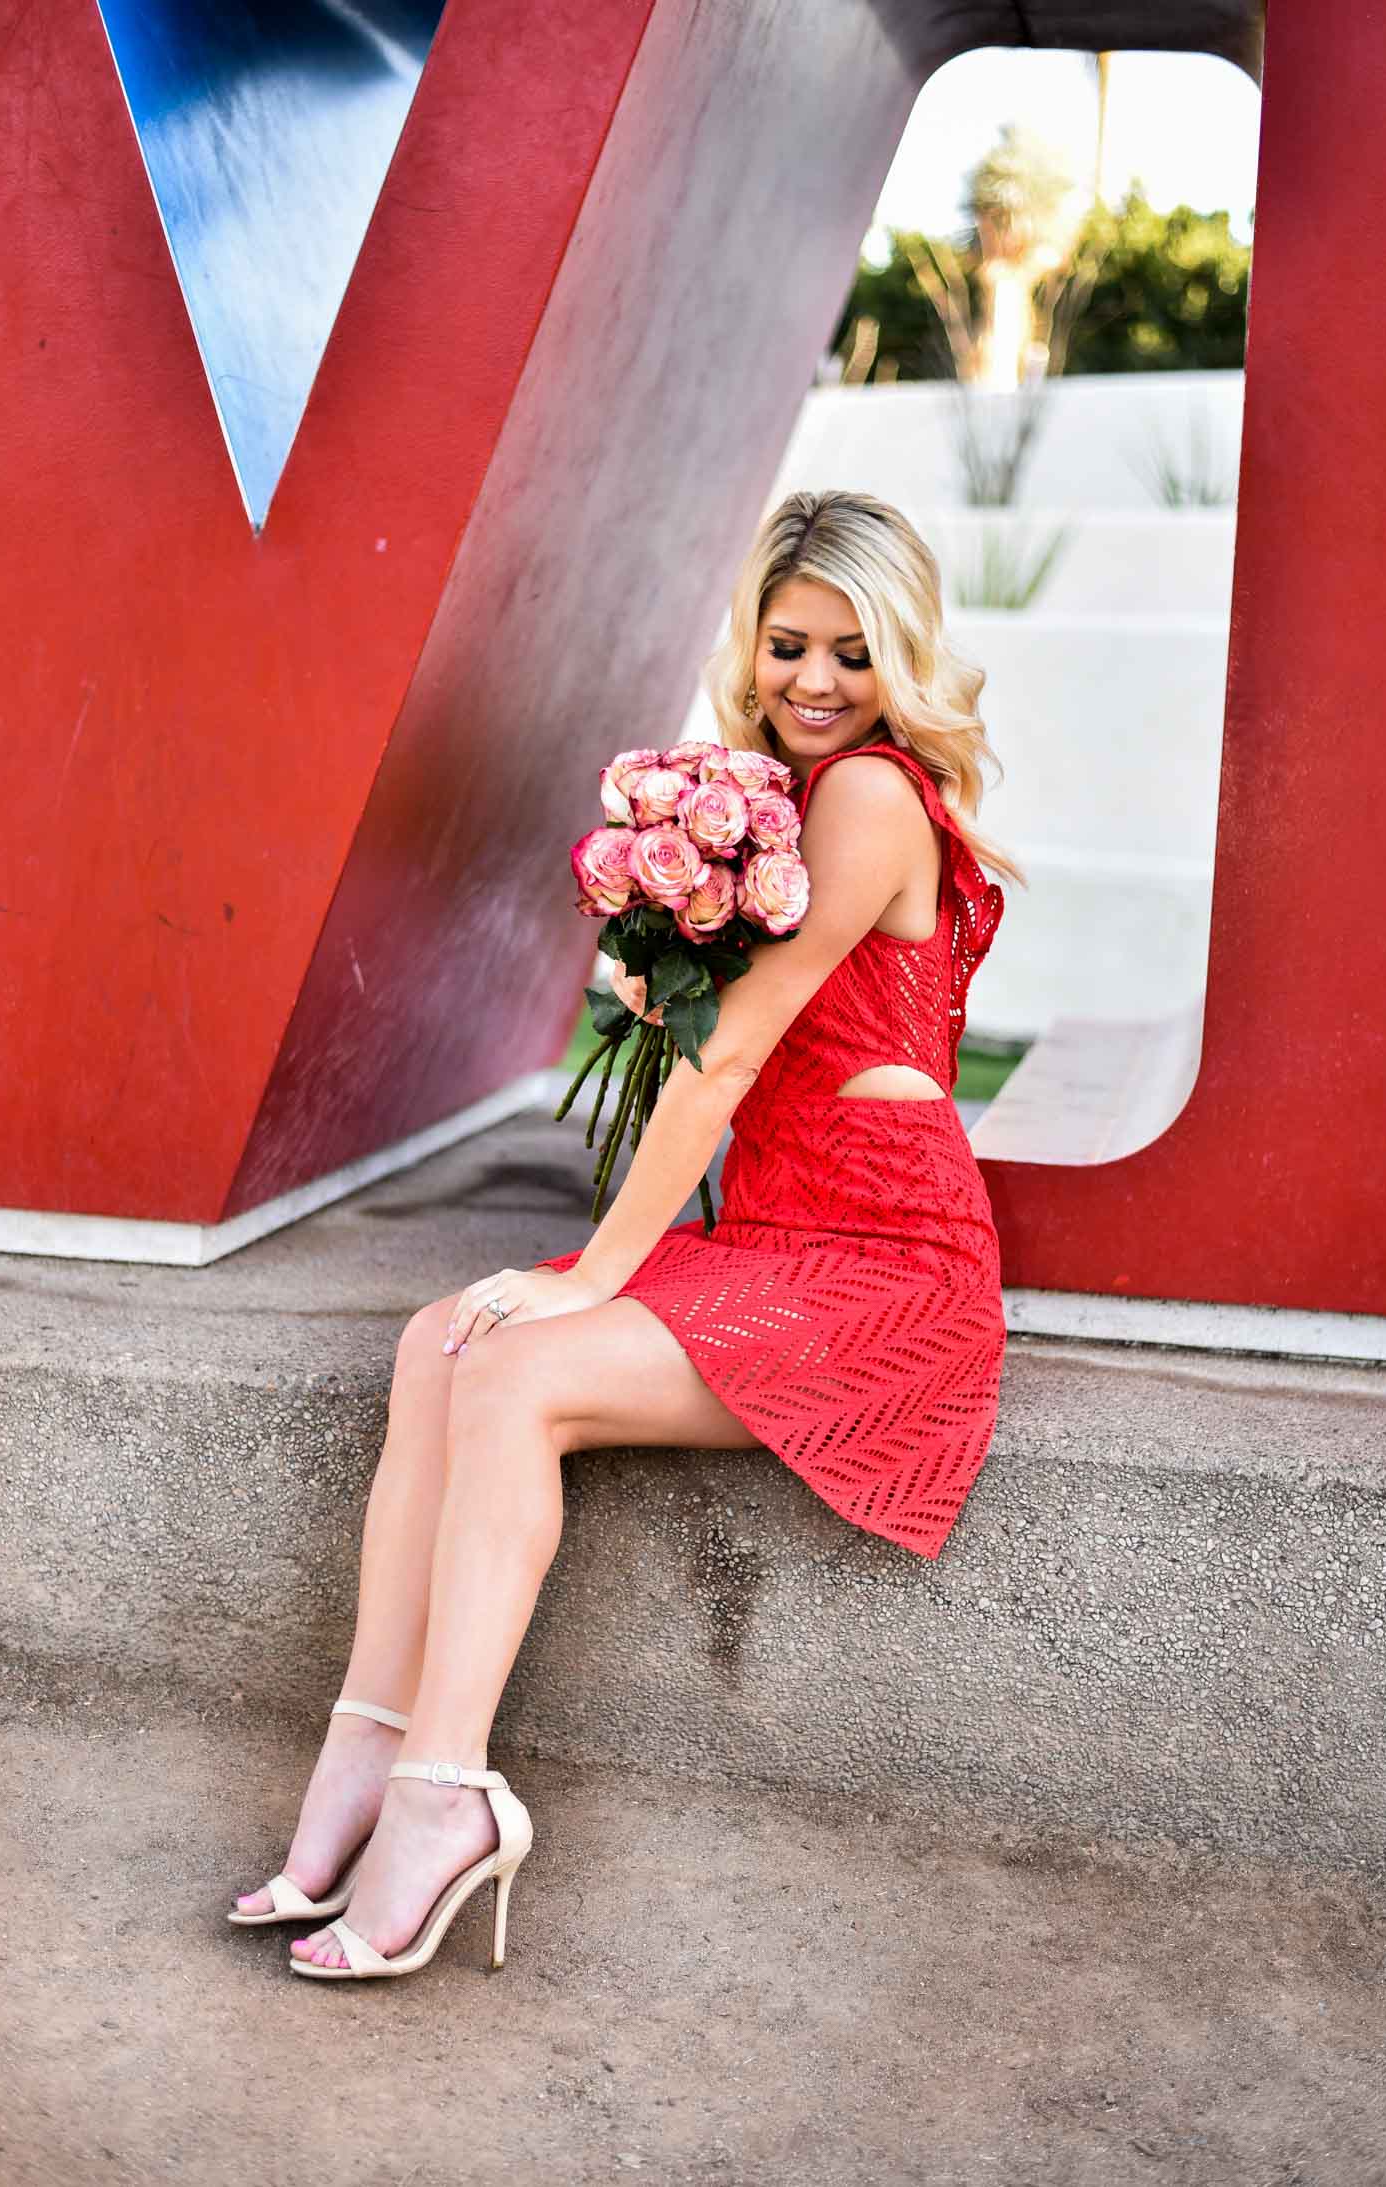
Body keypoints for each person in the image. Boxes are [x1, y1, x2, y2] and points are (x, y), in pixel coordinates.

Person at [228, 488, 1023, 1981]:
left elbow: (729, 1065)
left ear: (903, 654)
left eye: (854, 652)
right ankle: (364, 1750)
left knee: (519, 1371)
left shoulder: (868, 795)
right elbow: (721, 1044)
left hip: (883, 1265)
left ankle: (444, 1798)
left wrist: (593, 1271)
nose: (814, 681)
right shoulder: (787, 796)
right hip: (785, 1230)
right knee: (439, 1338)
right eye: (788, 644)